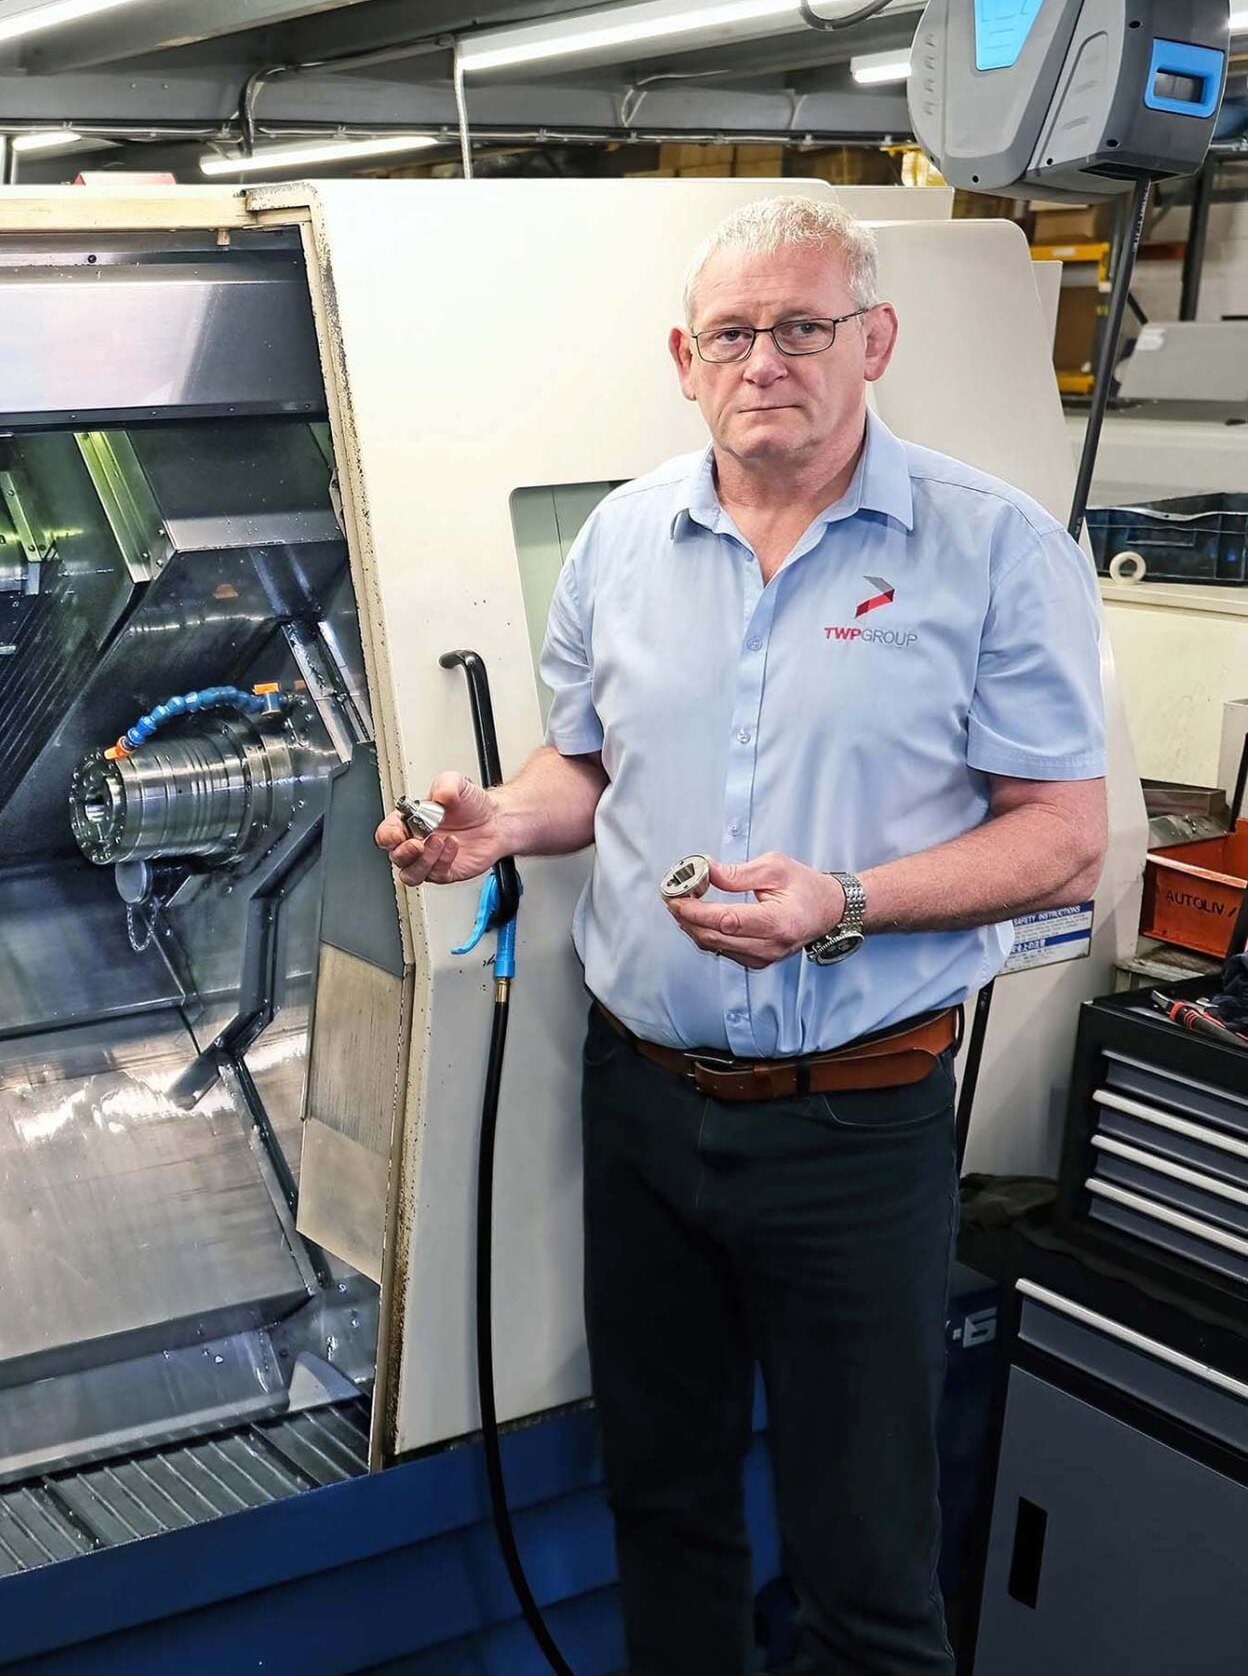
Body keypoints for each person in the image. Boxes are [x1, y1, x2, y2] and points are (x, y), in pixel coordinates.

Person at [379, 194, 1106, 1674]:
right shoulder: (622, 541)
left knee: (866, 1570)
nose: (764, 360)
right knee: (665, 1505)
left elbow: (1063, 833)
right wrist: (503, 820)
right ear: (684, 359)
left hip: (855, 1121)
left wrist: (846, 903)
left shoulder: (993, 548)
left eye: (802, 326)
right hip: (644, 1108)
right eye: (731, 333)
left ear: (873, 341)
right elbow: (588, 766)